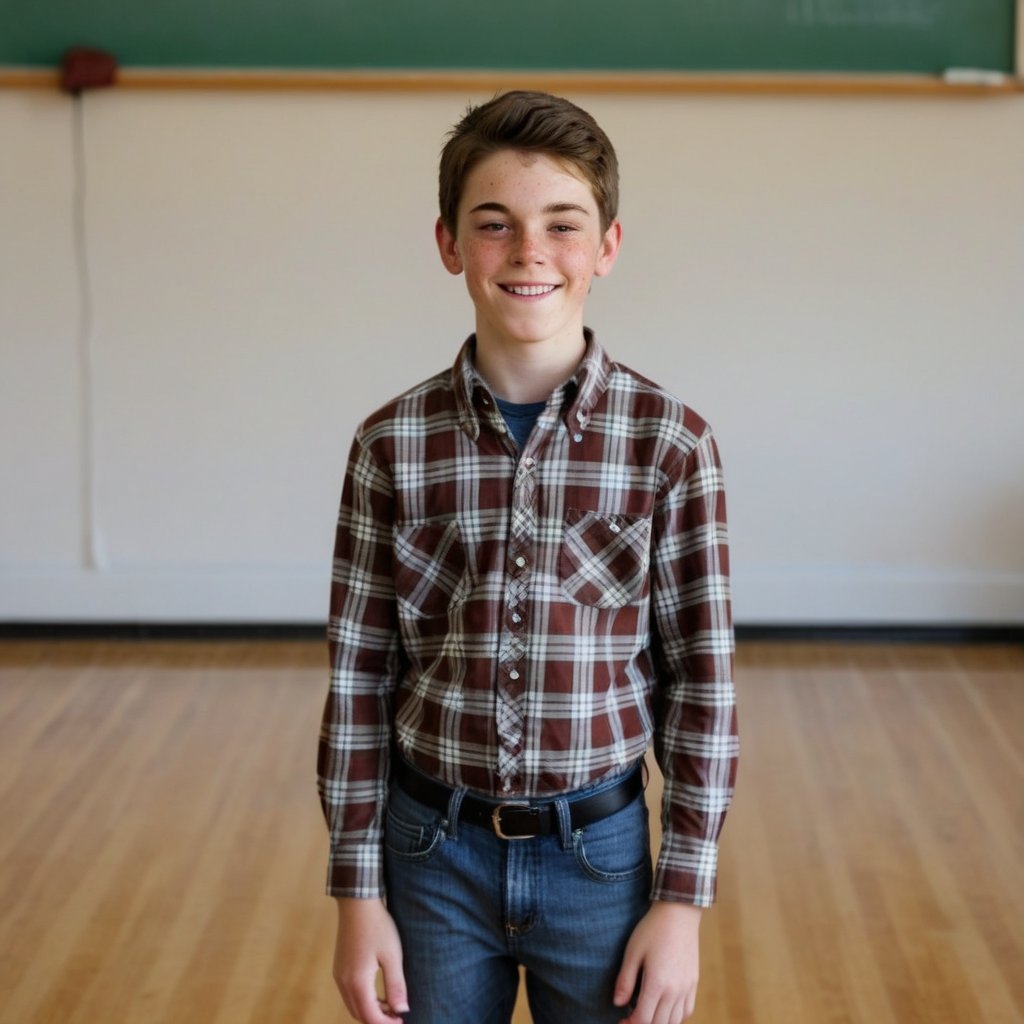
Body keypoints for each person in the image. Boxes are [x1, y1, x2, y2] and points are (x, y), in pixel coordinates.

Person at [318, 90, 738, 1024]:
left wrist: (682, 903)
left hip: (602, 858)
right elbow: (359, 681)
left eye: (562, 225)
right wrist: (357, 894)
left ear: (607, 247)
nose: (529, 252)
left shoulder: (671, 444)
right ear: (449, 244)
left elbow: (701, 686)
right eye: (494, 224)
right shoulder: (390, 445)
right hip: (430, 856)